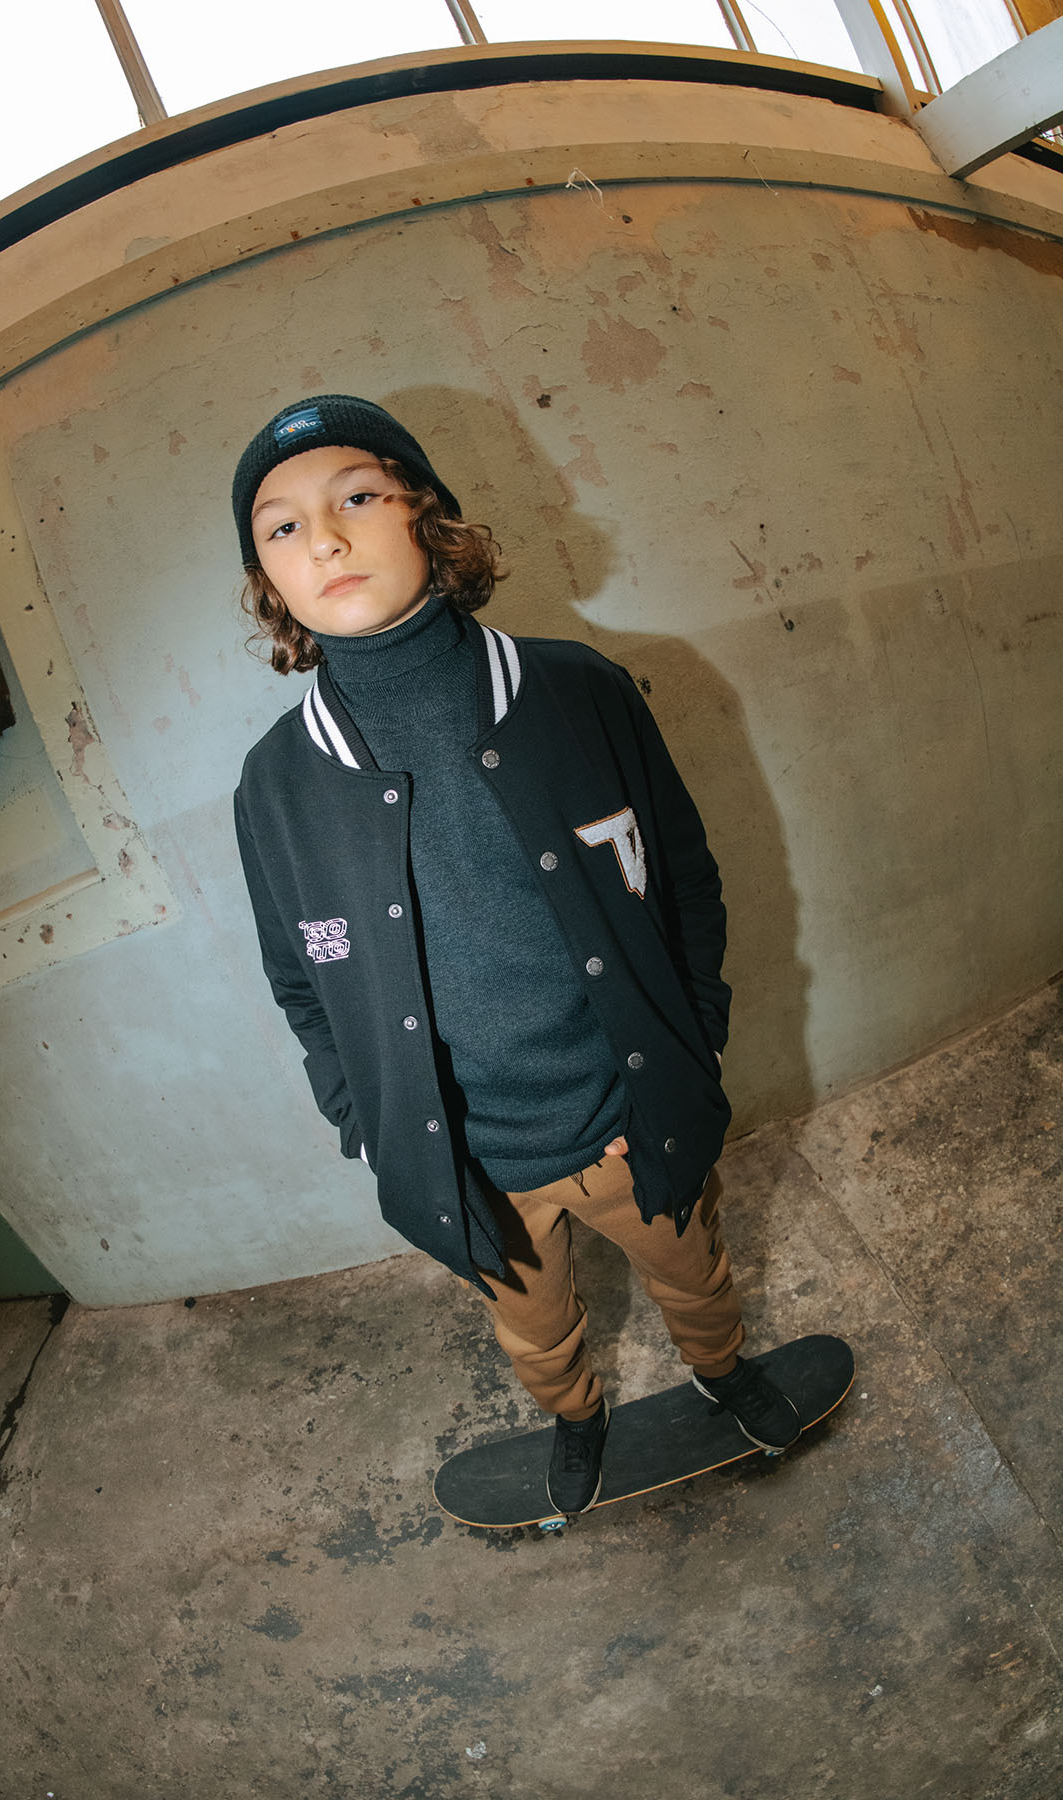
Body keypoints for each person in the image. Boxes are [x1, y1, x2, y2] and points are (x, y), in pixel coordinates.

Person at [232, 394, 800, 1513]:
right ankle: (577, 1421)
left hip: (628, 1113)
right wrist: (367, 1122)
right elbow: (301, 983)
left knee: (695, 1271)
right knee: (534, 1329)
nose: (326, 540)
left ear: (428, 515)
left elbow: (684, 878)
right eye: (282, 526)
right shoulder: (276, 785)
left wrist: (690, 1044)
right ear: (269, 581)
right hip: (474, 1164)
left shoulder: (577, 689)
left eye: (357, 497)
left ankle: (725, 1372)